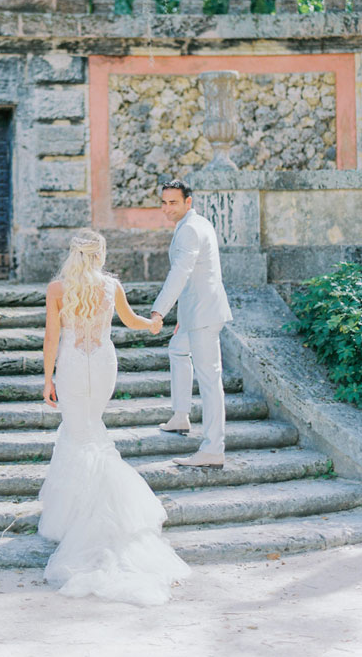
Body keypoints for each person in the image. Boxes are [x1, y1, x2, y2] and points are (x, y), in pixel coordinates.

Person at [38, 229, 190, 606]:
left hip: (73, 366)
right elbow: (132, 320)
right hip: (103, 364)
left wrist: (46, 380)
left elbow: (51, 339)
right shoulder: (111, 287)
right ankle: (98, 512)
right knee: (91, 431)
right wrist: (155, 322)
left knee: (80, 434)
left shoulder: (57, 289)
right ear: (100, 254)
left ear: (74, 254)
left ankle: (85, 519)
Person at [150, 180, 233, 468]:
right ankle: (180, 415)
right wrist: (182, 318)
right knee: (177, 349)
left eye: (173, 202)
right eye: (164, 202)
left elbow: (181, 274)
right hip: (195, 312)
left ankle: (213, 448)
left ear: (188, 202)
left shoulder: (189, 231)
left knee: (210, 380)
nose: (166, 208)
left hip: (204, 314)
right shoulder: (196, 223)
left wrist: (159, 311)